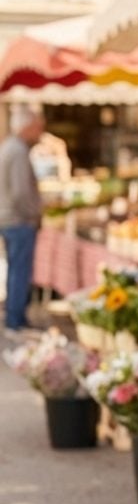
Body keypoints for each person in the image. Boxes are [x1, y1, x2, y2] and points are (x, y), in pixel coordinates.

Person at [0, 108, 44, 335]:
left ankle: (14, 316)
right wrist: (33, 214)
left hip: (10, 218)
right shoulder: (17, 150)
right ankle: (15, 320)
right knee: (20, 270)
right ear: (27, 127)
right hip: (18, 220)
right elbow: (20, 193)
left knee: (16, 269)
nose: (40, 132)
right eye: (38, 127)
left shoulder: (10, 146)